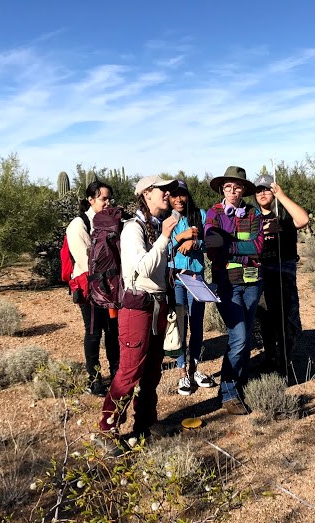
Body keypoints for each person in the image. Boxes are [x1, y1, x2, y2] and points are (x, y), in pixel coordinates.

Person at [96, 176, 179, 454]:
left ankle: (146, 420)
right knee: (130, 370)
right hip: (136, 308)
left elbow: (154, 269)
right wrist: (166, 238)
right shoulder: (134, 229)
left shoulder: (153, 226)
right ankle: (107, 429)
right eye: (162, 190)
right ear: (146, 194)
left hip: (156, 305)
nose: (168, 194)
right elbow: (142, 269)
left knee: (153, 367)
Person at [204, 166, 264, 415]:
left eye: (237, 186)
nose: (232, 191)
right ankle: (228, 390)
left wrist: (228, 245)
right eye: (228, 187)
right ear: (222, 189)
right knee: (238, 335)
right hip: (226, 283)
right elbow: (211, 246)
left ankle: (239, 382)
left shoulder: (253, 213)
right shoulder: (214, 213)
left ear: (243, 190)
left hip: (252, 281)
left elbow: (258, 246)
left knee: (246, 335)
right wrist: (241, 246)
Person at [65, 180, 119, 396]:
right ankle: (94, 378)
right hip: (89, 286)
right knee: (94, 331)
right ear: (91, 200)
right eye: (103, 199)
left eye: (109, 199)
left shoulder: (108, 222)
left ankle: (116, 373)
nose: (107, 203)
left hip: (109, 285)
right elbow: (87, 259)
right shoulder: (78, 225)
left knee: (112, 331)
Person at [252, 174, 309, 376]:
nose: (262, 193)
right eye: (258, 190)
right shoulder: (252, 216)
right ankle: (269, 357)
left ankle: (284, 361)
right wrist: (262, 230)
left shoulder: (284, 212)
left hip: (283, 269)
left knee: (285, 316)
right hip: (260, 270)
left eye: (267, 189)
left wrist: (282, 196)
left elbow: (303, 219)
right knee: (265, 317)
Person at [168, 179, 216, 395]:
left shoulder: (200, 215)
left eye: (182, 194)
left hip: (196, 278)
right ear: (168, 197)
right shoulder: (166, 220)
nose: (179, 199)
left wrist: (195, 243)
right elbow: (162, 247)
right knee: (179, 325)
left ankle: (195, 367)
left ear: (188, 195)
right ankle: (182, 372)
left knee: (196, 323)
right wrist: (181, 239)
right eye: (174, 195)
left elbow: (211, 241)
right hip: (176, 278)